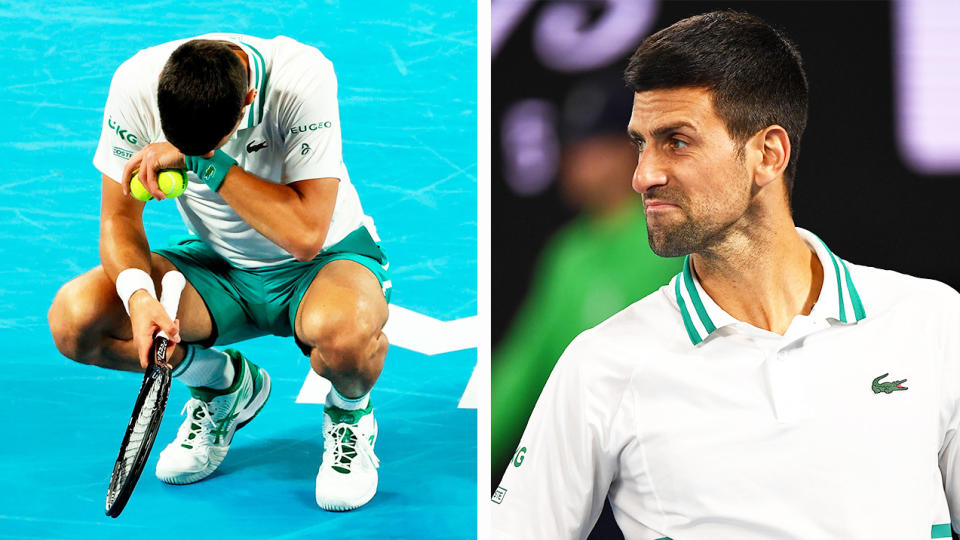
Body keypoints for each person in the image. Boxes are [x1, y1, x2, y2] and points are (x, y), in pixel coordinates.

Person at [491, 11, 960, 539]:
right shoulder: (599, 366)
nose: (643, 175)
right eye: (640, 143)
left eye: (677, 141)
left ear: (768, 154)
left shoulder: (934, 322)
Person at [47, 34, 391, 512]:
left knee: (344, 331)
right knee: (77, 320)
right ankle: (223, 385)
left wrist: (202, 164)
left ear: (249, 101)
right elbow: (118, 220)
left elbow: (306, 233)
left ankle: (350, 414)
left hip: (323, 264)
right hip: (220, 269)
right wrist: (139, 297)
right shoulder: (136, 82)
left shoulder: (300, 76)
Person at [492, 75, 680, 485]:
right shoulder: (568, 252)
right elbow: (526, 360)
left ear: (633, 150)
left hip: (661, 468)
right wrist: (471, 445)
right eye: (572, 145)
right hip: (579, 470)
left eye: (595, 145)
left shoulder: (677, 232)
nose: (578, 160)